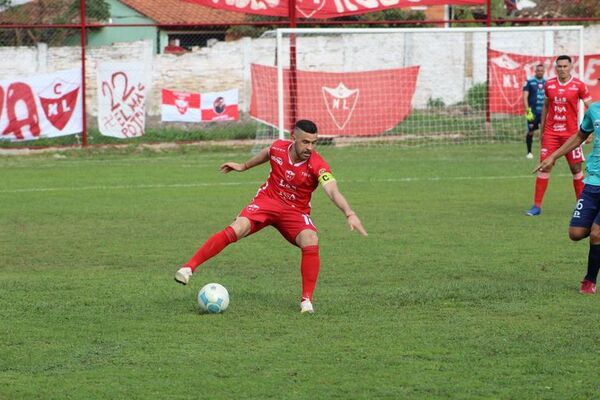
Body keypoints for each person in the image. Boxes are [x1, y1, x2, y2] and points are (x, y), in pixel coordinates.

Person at [174, 119, 368, 313]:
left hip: (295, 211)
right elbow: (268, 152)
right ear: (294, 138)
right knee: (237, 227)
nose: (310, 147)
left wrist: (349, 213)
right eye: (305, 142)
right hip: (267, 201)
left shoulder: (317, 164)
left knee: (311, 239)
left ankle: (306, 301)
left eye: (313, 142)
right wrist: (244, 166)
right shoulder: (279, 148)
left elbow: (332, 190)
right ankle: (188, 268)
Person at [534, 101, 600, 294]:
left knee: (596, 233)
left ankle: (589, 280)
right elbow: (580, 135)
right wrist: (553, 156)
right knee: (576, 233)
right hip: (593, 180)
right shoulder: (594, 109)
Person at [526, 55, 592, 216]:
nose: (562, 69)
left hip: (572, 135)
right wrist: (542, 131)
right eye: (559, 66)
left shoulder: (579, 85)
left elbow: (591, 108)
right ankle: (536, 206)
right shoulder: (549, 85)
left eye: (565, 66)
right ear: (556, 68)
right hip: (551, 133)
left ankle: (580, 206)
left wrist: (588, 131)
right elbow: (546, 108)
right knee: (545, 166)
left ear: (570, 67)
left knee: (576, 168)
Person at [523, 64, 546, 159]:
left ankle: (545, 151)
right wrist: (528, 111)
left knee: (545, 132)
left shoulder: (547, 82)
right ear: (535, 71)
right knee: (531, 131)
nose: (540, 72)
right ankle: (529, 152)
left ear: (544, 72)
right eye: (538, 70)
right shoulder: (529, 82)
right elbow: (525, 97)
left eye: (542, 70)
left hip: (544, 112)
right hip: (532, 112)